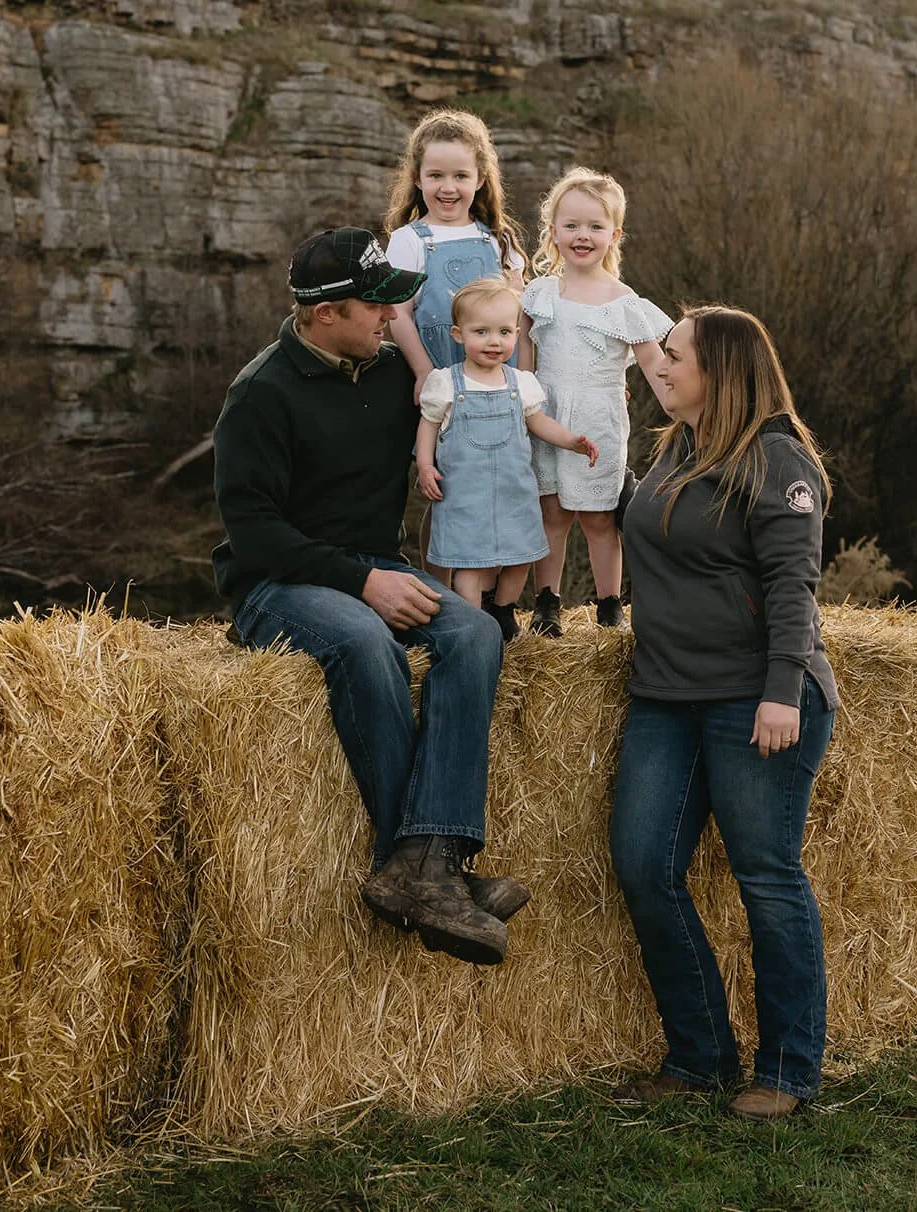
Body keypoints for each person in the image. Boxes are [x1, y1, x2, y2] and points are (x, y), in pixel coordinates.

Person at [212, 226, 530, 968]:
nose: (391, 320)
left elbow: (486, 397)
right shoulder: (261, 394)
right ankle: (424, 867)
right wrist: (362, 581)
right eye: (375, 309)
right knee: (363, 639)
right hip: (277, 583)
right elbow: (253, 533)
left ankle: (424, 863)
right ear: (325, 315)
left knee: (476, 635)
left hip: (375, 565)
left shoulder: (391, 378)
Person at [610, 305, 839, 1119]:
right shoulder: (675, 448)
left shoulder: (777, 459)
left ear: (722, 372)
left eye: (671, 356)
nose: (658, 366)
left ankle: (787, 1069)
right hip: (666, 698)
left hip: (759, 700)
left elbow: (792, 585)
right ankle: (700, 1053)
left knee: (767, 879)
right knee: (644, 865)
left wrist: (782, 689)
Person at [519, 167, 670, 635]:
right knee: (552, 513)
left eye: (595, 226)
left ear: (614, 234)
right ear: (553, 233)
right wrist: (525, 409)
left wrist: (689, 411)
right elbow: (524, 363)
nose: (582, 236)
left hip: (599, 419)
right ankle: (547, 602)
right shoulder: (539, 293)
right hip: (546, 414)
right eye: (571, 226)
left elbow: (655, 365)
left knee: (599, 517)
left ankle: (609, 605)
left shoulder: (624, 301)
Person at [416, 279, 599, 642]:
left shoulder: (521, 382)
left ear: (517, 333)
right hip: (465, 498)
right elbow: (428, 427)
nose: (494, 341)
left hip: (514, 493)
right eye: (480, 332)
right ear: (457, 334)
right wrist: (425, 465)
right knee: (468, 566)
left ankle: (502, 610)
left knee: (522, 555)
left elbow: (539, 423)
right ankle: (473, 628)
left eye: (503, 332)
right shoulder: (446, 384)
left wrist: (571, 440)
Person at [384, 108, 528, 398]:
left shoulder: (499, 240)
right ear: (417, 178)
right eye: (436, 175)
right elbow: (398, 314)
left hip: (502, 385)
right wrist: (423, 372)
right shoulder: (407, 241)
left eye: (461, 176)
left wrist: (527, 379)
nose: (448, 187)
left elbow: (522, 321)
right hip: (441, 383)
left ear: (479, 179)